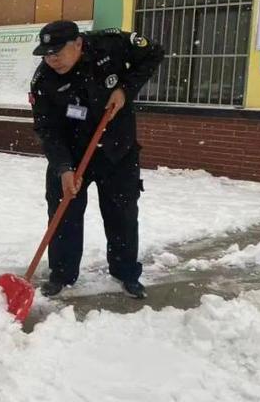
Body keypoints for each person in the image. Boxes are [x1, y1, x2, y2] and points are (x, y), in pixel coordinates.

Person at [29, 20, 164, 299]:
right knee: (63, 213)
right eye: (47, 53)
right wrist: (64, 169)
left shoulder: (110, 46)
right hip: (73, 153)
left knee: (122, 215)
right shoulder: (44, 81)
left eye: (58, 51)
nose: (52, 59)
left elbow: (154, 53)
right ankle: (62, 274)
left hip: (117, 150)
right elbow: (47, 129)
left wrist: (125, 89)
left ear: (78, 43)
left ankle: (126, 273)